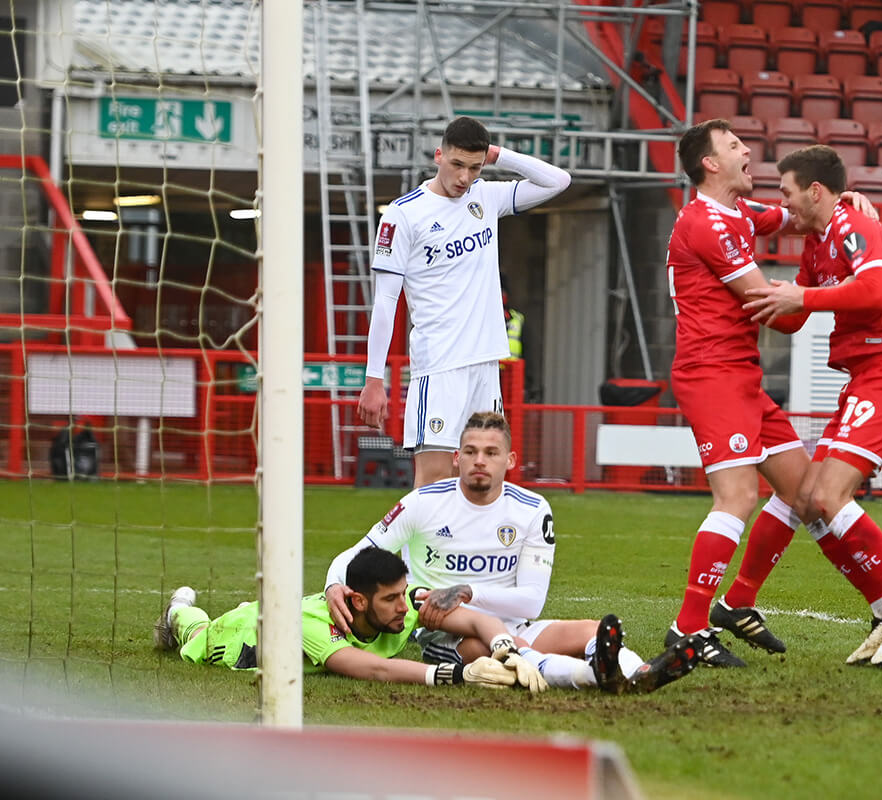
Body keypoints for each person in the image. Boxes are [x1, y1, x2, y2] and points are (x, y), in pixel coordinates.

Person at [662, 119, 882, 668]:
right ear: (710, 164)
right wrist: (824, 291)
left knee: (802, 491)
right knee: (736, 498)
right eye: (734, 146)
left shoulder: (737, 212)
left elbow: (798, 216)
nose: (747, 152)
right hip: (712, 374)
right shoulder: (706, 225)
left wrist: (841, 206)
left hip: (741, 375)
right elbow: (773, 311)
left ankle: (738, 602)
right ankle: (686, 628)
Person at [324, 411, 704, 694]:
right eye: (471, 451)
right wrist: (332, 585)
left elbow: (532, 602)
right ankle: (594, 676)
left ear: (510, 461)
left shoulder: (532, 509)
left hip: (513, 624)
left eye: (491, 452)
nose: (480, 460)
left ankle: (639, 674)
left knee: (591, 630)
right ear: (457, 457)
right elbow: (358, 554)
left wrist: (470, 591)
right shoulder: (422, 503)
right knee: (487, 646)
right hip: (448, 635)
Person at [744, 144, 882, 667]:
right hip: (865, 377)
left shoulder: (855, 226)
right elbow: (792, 315)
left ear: (814, 191)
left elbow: (873, 291)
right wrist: (749, 298)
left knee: (827, 497)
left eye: (786, 193)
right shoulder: (816, 241)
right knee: (807, 498)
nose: (782, 204)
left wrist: (800, 298)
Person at [357, 116, 570, 487]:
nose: (463, 177)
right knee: (435, 480)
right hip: (439, 366)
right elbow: (386, 300)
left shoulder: (485, 197)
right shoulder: (403, 214)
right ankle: (417, 548)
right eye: (456, 164)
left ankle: (468, 549)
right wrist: (374, 378)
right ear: (438, 156)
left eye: (473, 167)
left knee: (482, 481)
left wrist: (498, 154)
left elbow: (558, 180)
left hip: (485, 365)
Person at [152, 546, 547, 691]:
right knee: (195, 632)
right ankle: (178, 610)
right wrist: (457, 675)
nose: (403, 608)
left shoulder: (406, 602)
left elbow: (476, 621)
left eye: (402, 595)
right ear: (358, 601)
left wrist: (504, 648)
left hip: (272, 617)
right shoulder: (313, 627)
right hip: (239, 638)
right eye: (390, 599)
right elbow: (373, 669)